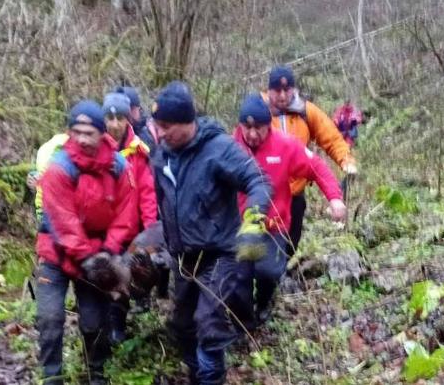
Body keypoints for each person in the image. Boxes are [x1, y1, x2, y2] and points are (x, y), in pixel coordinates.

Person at [150, 82, 272, 385]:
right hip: (183, 257)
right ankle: (197, 375)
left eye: (166, 126)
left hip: (220, 253)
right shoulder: (162, 156)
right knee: (181, 326)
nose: (160, 133)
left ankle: (211, 378)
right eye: (157, 126)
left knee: (209, 323)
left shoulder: (219, 149)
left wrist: (254, 221)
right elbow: (162, 203)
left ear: (186, 122)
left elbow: (258, 181)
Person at [34, 100, 138, 385]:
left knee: (94, 322)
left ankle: (97, 373)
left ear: (101, 134)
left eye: (88, 132)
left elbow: (126, 214)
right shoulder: (58, 169)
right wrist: (90, 259)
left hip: (99, 254)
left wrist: (108, 253)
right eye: (75, 131)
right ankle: (52, 376)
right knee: (50, 319)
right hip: (56, 255)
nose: (81, 138)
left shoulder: (119, 167)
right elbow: (63, 222)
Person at [234, 94, 346, 325]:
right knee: (239, 277)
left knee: (267, 272)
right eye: (247, 128)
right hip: (241, 225)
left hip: (273, 225)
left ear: (269, 126)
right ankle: (244, 323)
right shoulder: (230, 147)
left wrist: (334, 198)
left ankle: (264, 301)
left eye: (259, 128)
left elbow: (316, 166)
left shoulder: (285, 145)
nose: (253, 134)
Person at [263, 65, 358, 255]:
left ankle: (283, 272)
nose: (282, 96)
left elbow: (331, 138)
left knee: (291, 241)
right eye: (277, 90)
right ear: (269, 91)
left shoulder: (306, 112)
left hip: (296, 192)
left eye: (286, 90)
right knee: (266, 244)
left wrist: (346, 161)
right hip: (266, 193)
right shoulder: (259, 111)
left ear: (294, 89)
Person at [101, 91, 159, 345]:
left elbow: (148, 196)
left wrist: (149, 234)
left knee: (123, 276)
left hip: (130, 230)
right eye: (110, 118)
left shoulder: (139, 152)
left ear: (128, 119)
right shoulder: (95, 148)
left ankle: (118, 324)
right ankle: (106, 326)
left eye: (120, 118)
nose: (114, 124)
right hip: (102, 228)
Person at [116, 84, 159, 150]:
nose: (127, 114)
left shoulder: (147, 134)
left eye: (131, 109)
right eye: (122, 110)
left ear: (138, 109)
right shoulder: (112, 133)